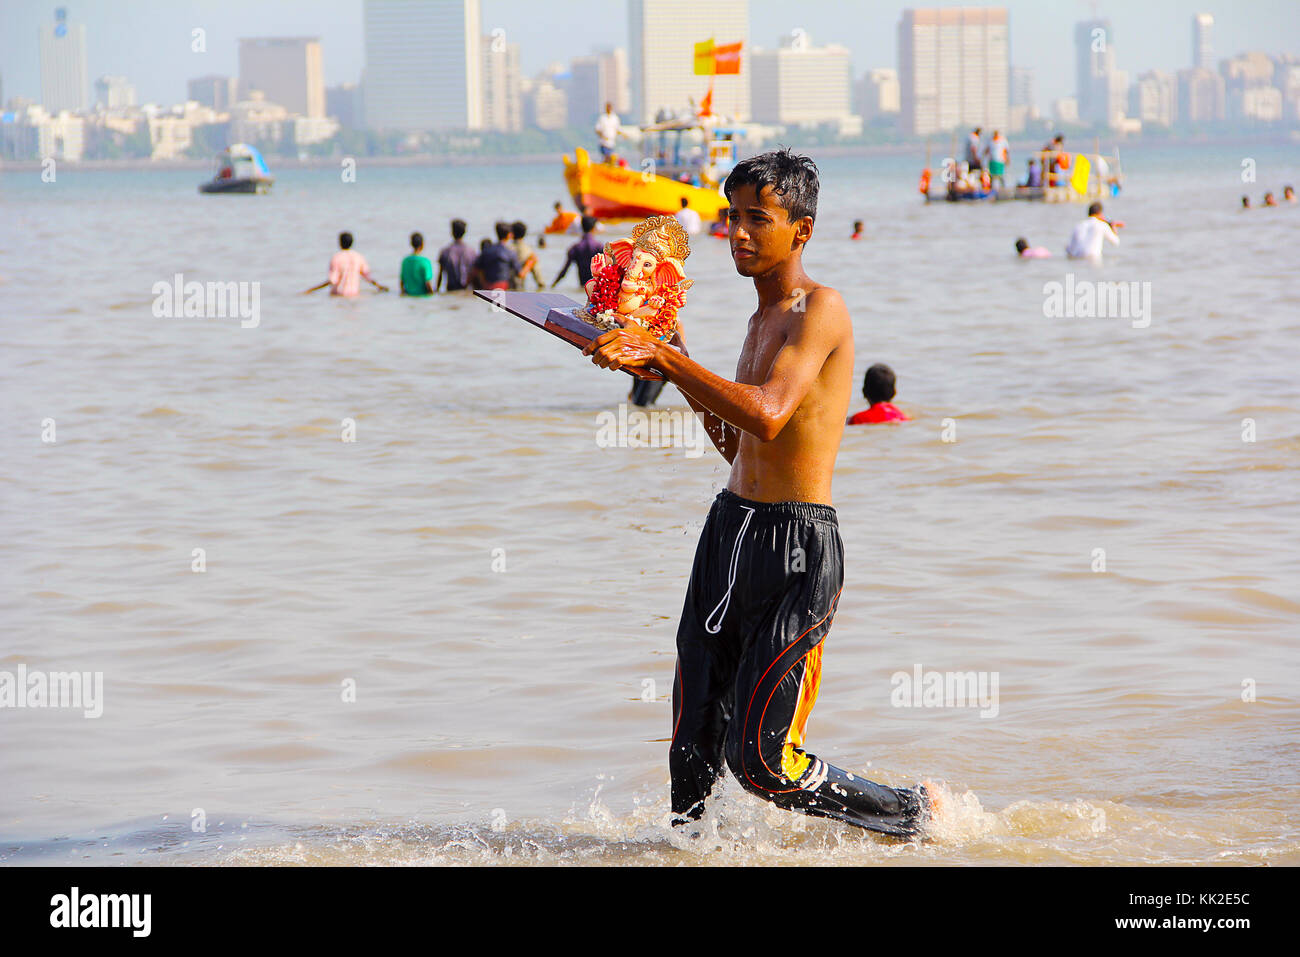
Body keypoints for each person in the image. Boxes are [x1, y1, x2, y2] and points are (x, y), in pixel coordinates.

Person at [582, 148, 938, 838]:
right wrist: (667, 348)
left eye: (757, 219)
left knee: (763, 762)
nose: (737, 233)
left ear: (800, 229)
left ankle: (913, 812)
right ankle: (686, 853)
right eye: (730, 217)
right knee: (690, 749)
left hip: (797, 550)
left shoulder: (821, 309)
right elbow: (739, 442)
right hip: (728, 531)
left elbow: (771, 411)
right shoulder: (754, 323)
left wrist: (667, 359)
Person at [303, 232, 387, 296]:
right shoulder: (359, 257)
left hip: (338, 295)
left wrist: (311, 290)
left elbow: (332, 281)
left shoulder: (337, 257)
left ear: (339, 243)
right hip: (354, 295)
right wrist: (379, 286)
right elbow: (368, 277)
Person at [551, 215, 604, 288]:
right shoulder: (599, 247)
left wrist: (552, 286)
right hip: (597, 290)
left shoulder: (575, 248)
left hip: (583, 286)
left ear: (581, 228)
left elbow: (564, 272)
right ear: (594, 228)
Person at [473, 223, 522, 291]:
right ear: (509, 235)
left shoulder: (487, 251)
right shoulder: (510, 253)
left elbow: (476, 270)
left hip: (487, 287)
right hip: (504, 287)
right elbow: (520, 274)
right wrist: (530, 262)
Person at [435, 219, 476, 292]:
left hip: (451, 290)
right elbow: (474, 273)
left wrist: (437, 291)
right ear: (464, 232)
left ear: (452, 232)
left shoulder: (445, 252)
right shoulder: (471, 252)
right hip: (466, 291)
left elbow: (440, 275)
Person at [509, 221, 545, 290]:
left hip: (502, 289)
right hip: (519, 290)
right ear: (525, 234)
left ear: (511, 234)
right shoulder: (529, 252)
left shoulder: (505, 249)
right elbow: (539, 281)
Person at [400, 232, 434, 296]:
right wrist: (433, 295)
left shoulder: (405, 261)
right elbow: (428, 283)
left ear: (411, 244)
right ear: (422, 244)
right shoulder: (425, 262)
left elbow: (402, 283)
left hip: (409, 297)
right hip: (423, 298)